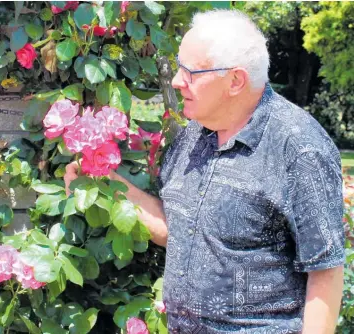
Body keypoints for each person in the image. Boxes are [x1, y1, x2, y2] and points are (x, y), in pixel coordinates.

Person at [64, 10, 345, 334]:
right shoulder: (193, 136)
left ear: (235, 80)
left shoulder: (299, 146)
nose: (176, 80)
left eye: (191, 72)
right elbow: (181, 229)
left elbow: (325, 270)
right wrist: (105, 184)